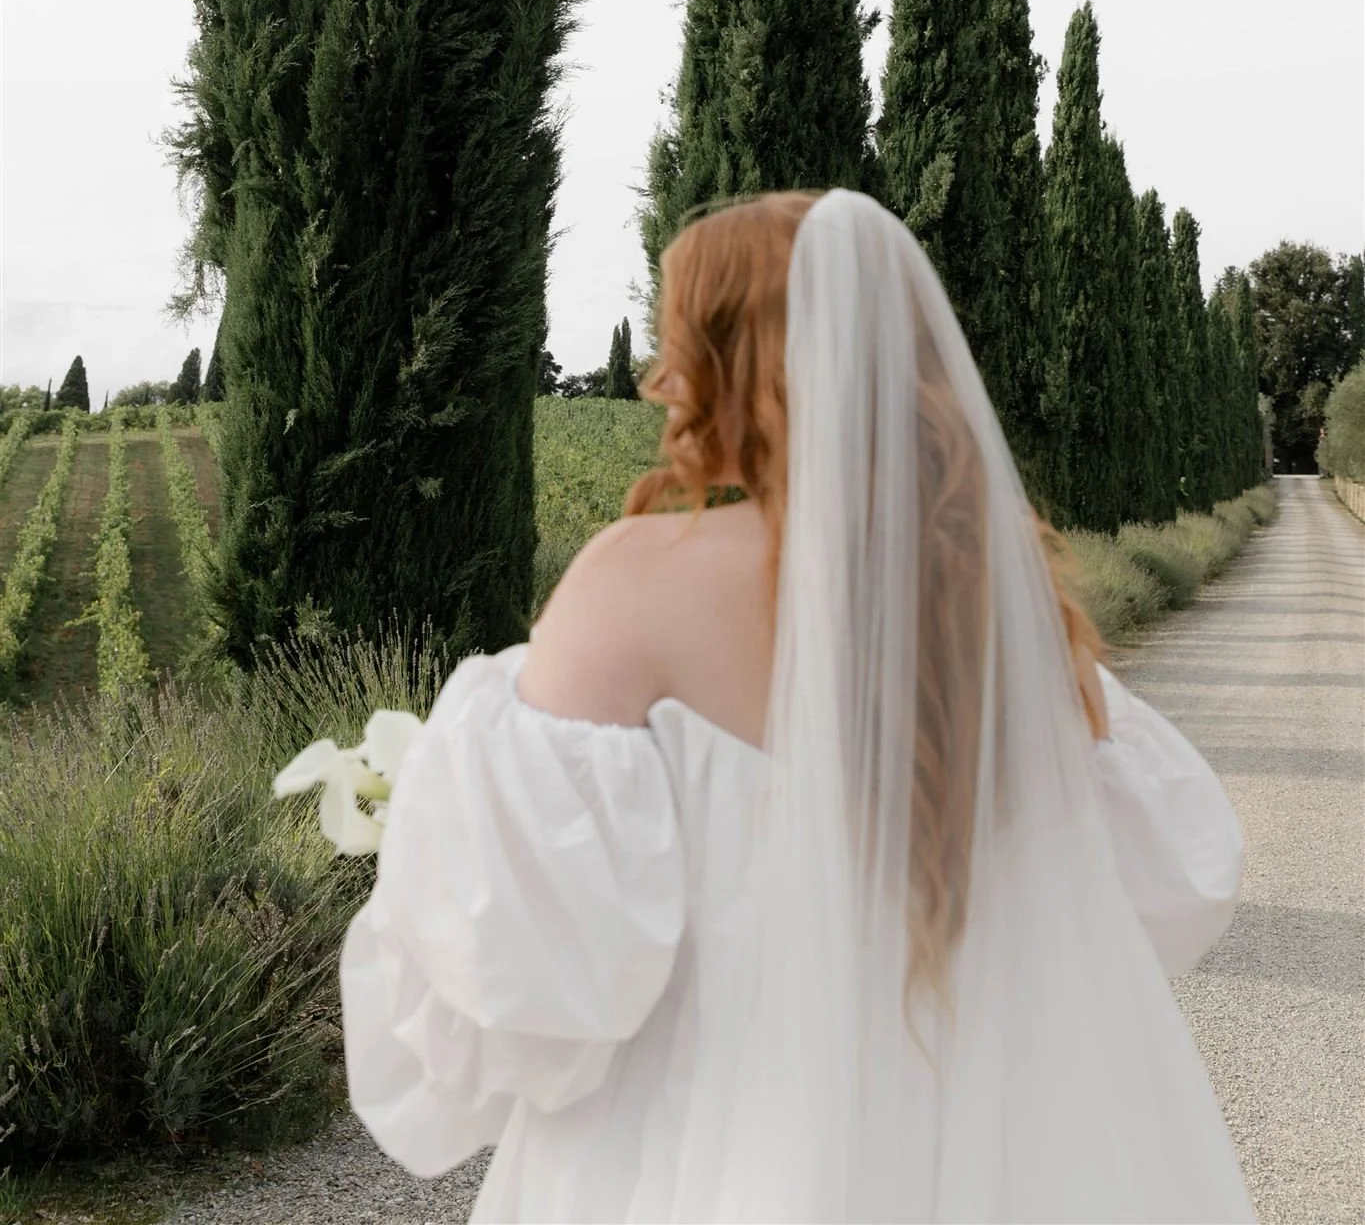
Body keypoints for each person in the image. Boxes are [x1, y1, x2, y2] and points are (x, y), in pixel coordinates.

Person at [341, 189, 1254, 1222]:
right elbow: (1151, 894)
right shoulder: (1012, 617)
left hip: (691, 1151)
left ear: (750, 367)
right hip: (973, 1151)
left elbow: (548, 987)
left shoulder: (634, 581)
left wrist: (438, 818)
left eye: (685, 341)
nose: (658, 381)